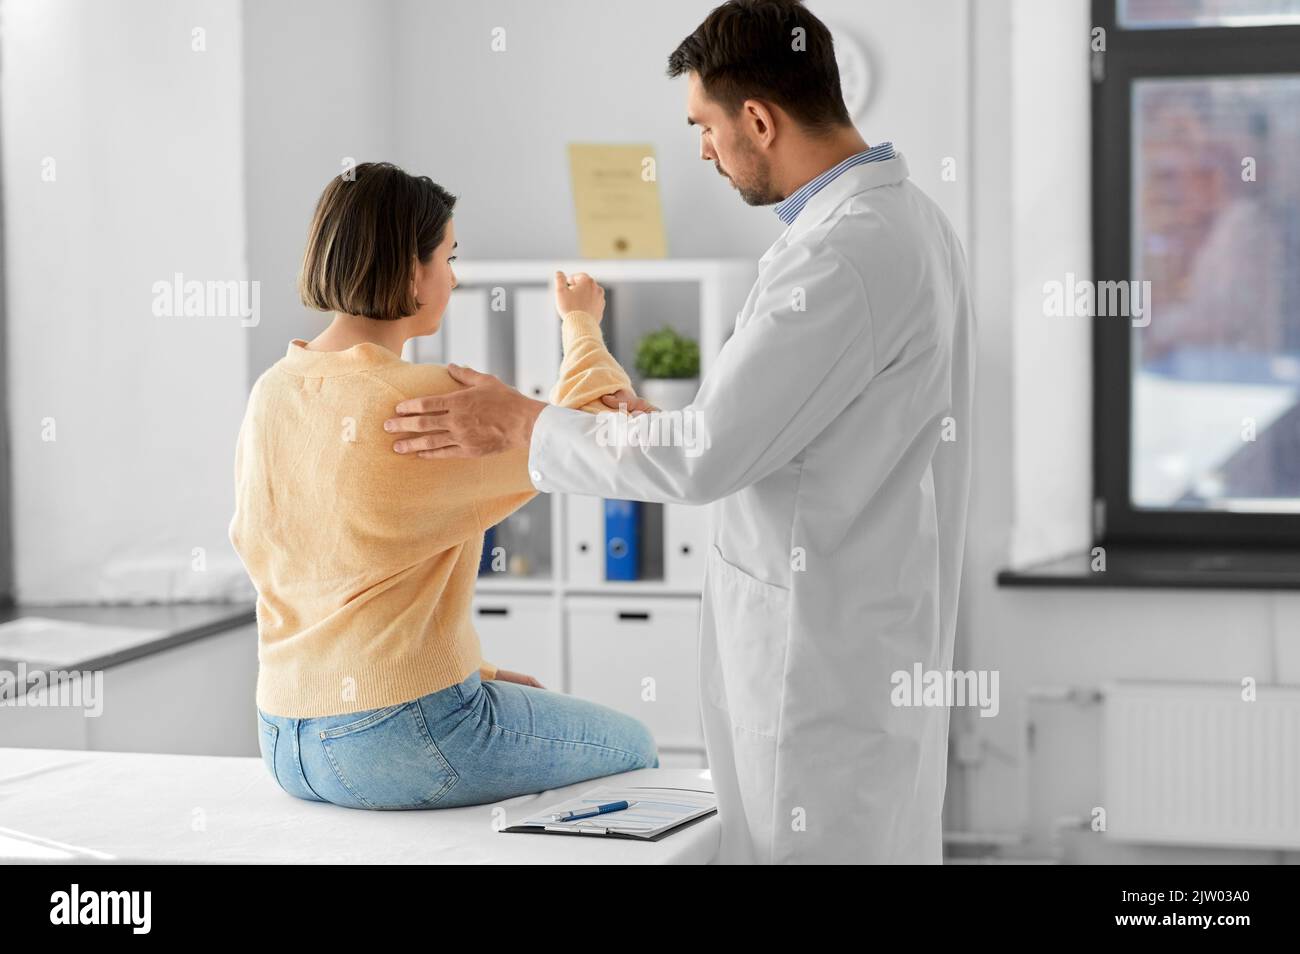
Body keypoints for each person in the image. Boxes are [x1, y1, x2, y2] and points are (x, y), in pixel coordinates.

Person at [387, 0, 975, 863]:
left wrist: (523, 423)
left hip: (818, 660)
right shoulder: (906, 222)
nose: (700, 150)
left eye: (703, 126)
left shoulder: (840, 254)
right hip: (860, 625)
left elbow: (706, 462)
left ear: (759, 120)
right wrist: (671, 427)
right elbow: (785, 427)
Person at [230, 161, 657, 812]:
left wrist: (474, 673)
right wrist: (581, 322)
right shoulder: (422, 403)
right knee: (636, 750)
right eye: (448, 256)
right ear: (410, 268)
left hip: (283, 738)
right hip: (399, 733)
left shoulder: (273, 393)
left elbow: (306, 568)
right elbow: (595, 434)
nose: (453, 278)